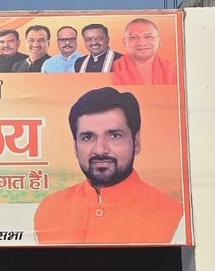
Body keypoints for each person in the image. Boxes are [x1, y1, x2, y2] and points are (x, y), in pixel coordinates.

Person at [33, 87, 184, 245]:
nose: (100, 149)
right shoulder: (49, 210)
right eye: (88, 137)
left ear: (136, 142)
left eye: (114, 136)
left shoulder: (175, 216)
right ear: (75, 147)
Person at [111, 18, 177, 85]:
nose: (141, 43)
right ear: (125, 43)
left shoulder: (173, 71)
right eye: (133, 37)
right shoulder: (111, 67)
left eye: (148, 36)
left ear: (159, 41)